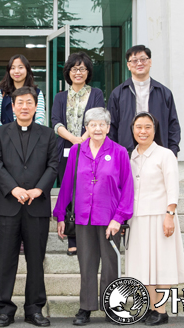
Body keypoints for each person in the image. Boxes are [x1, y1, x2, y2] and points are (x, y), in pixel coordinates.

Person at [53, 107, 133, 326]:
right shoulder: (77, 152)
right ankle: (85, 307)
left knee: (110, 265)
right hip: (83, 218)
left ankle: (112, 307)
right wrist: (60, 214)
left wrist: (119, 218)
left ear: (108, 128)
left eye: (102, 124)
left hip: (110, 219)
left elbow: (127, 188)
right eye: (92, 124)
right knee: (86, 264)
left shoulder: (119, 152)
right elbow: (67, 185)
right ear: (86, 128)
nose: (97, 128)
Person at [0, 86, 58, 327]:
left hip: (37, 205)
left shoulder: (49, 134)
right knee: (6, 260)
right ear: (12, 106)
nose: (25, 107)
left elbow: (53, 165)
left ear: (35, 106)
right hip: (9, 205)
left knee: (35, 259)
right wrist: (13, 188)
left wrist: (38, 189)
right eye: (20, 103)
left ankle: (34, 308)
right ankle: (5, 309)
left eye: (29, 102)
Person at [124, 112, 184, 326]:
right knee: (145, 265)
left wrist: (170, 214)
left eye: (147, 127)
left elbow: (173, 187)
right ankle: (151, 308)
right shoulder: (130, 156)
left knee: (161, 263)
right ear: (133, 130)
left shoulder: (165, 154)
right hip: (137, 218)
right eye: (139, 127)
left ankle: (161, 310)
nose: (143, 131)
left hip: (161, 216)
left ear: (154, 130)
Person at [51, 51, 106, 256]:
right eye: (74, 68)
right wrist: (74, 141)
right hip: (65, 149)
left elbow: (98, 119)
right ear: (68, 72)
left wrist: (83, 140)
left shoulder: (96, 94)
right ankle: (72, 238)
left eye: (82, 68)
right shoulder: (60, 97)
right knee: (68, 191)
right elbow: (55, 122)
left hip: (90, 149)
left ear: (88, 72)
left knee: (87, 190)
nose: (78, 72)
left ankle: (88, 235)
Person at [107, 45, 181, 157]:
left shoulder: (164, 93)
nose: (139, 63)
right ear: (128, 65)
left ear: (150, 62)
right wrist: (114, 154)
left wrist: (172, 152)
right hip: (127, 153)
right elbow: (111, 127)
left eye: (143, 59)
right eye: (134, 60)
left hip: (158, 152)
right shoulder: (118, 93)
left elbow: (173, 125)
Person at [0, 54, 45, 128]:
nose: (16, 71)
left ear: (27, 69)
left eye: (20, 67)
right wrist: (4, 134)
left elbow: (40, 118)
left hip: (31, 137)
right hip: (5, 137)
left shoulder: (37, 93)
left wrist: (31, 134)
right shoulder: (1, 93)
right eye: (13, 68)